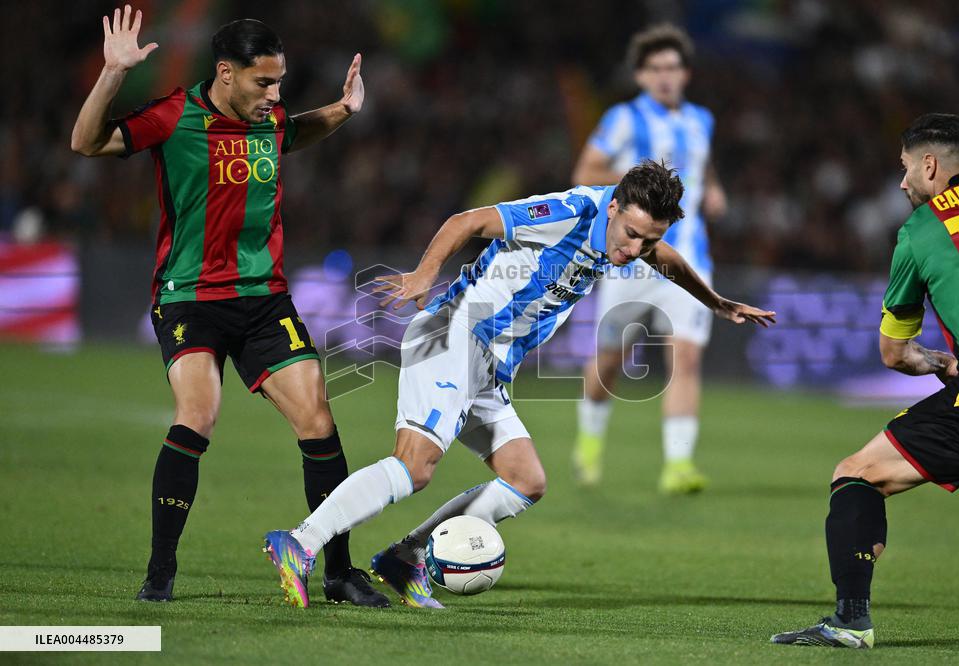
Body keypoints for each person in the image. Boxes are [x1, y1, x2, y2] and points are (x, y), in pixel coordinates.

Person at [262, 160, 776, 609]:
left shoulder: (629, 236)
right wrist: (424, 274)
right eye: (633, 233)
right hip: (453, 332)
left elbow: (663, 257)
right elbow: (469, 221)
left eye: (649, 238)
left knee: (526, 479)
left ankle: (405, 557)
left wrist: (714, 302)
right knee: (415, 466)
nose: (636, 248)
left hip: (490, 365)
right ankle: (301, 542)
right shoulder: (569, 212)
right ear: (615, 205)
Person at [71, 5, 389, 607]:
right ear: (224, 73)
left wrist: (343, 111)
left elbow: (297, 131)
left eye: (280, 82)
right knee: (199, 414)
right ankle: (160, 571)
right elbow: (86, 142)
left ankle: (339, 573)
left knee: (318, 421)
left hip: (264, 299)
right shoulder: (175, 115)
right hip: (189, 297)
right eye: (263, 82)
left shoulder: (269, 121)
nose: (275, 94)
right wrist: (112, 73)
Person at [771, 113, 959, 649]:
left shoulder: (918, 233)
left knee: (857, 474)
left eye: (904, 170)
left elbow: (894, 354)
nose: (901, 183)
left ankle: (851, 621)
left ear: (929, 165)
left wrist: (945, 364)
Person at [571, 23, 728, 494]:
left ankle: (678, 465)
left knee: (687, 358)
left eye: (673, 68)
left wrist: (714, 188)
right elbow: (585, 171)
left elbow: (702, 163)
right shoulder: (623, 118)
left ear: (686, 74)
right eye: (655, 68)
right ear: (640, 76)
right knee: (610, 360)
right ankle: (589, 441)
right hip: (632, 257)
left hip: (691, 257)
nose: (665, 76)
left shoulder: (701, 119)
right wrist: (645, 177)